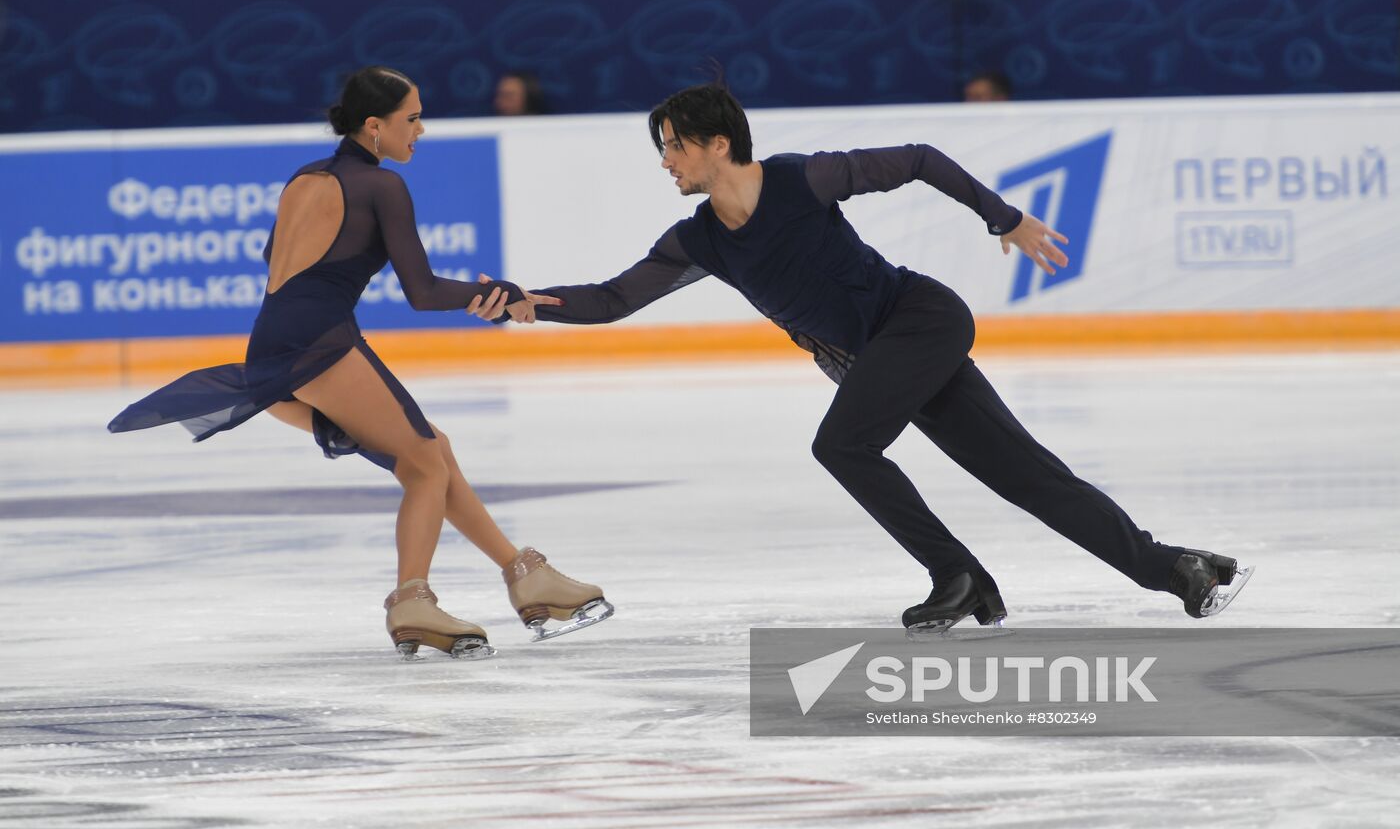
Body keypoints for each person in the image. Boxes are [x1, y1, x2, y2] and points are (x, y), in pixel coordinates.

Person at [468, 82, 1252, 634]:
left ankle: (959, 575)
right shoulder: (699, 239)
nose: (666, 161)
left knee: (843, 444)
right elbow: (613, 298)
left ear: (718, 144)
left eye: (673, 147)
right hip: (877, 358)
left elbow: (918, 157)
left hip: (920, 320)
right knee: (1028, 477)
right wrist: (533, 300)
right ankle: (1180, 569)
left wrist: (1005, 219)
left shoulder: (803, 179)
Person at [108, 66, 613, 659]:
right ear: (375, 126)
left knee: (433, 450)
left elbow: (280, 262)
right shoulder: (382, 187)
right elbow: (421, 292)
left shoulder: (306, 178)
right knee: (424, 462)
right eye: (412, 118)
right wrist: (501, 296)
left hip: (275, 346)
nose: (421, 130)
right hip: (318, 343)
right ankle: (412, 602)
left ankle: (525, 573)